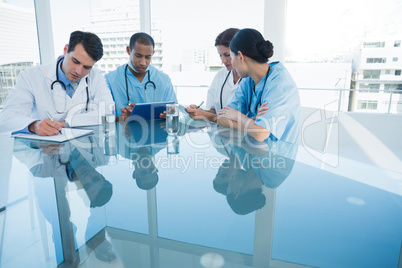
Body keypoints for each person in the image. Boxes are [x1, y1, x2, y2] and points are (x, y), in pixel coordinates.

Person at [0, 31, 115, 136]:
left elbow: (108, 111)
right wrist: (33, 125)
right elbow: (7, 119)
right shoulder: (31, 76)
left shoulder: (95, 76)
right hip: (44, 152)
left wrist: (65, 123)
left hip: (82, 152)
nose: (78, 72)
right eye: (75, 61)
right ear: (66, 49)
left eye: (87, 67)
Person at [217, 28, 301, 144]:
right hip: (252, 151)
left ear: (240, 56)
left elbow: (260, 134)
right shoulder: (248, 80)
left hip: (279, 158)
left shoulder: (280, 84)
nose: (230, 63)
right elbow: (222, 118)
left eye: (231, 57)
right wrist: (253, 123)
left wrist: (238, 116)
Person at [105, 32, 177, 120]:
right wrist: (121, 119)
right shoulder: (110, 80)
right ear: (128, 50)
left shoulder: (164, 80)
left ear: (153, 53)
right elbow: (103, 121)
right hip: (123, 133)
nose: (143, 63)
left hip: (157, 133)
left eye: (148, 57)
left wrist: (170, 115)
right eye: (138, 56)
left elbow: (175, 113)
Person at [186, 28, 242, 122]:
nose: (223, 61)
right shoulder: (221, 75)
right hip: (219, 133)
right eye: (220, 55)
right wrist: (200, 112)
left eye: (227, 55)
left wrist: (206, 115)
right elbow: (214, 110)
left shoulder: (250, 78)